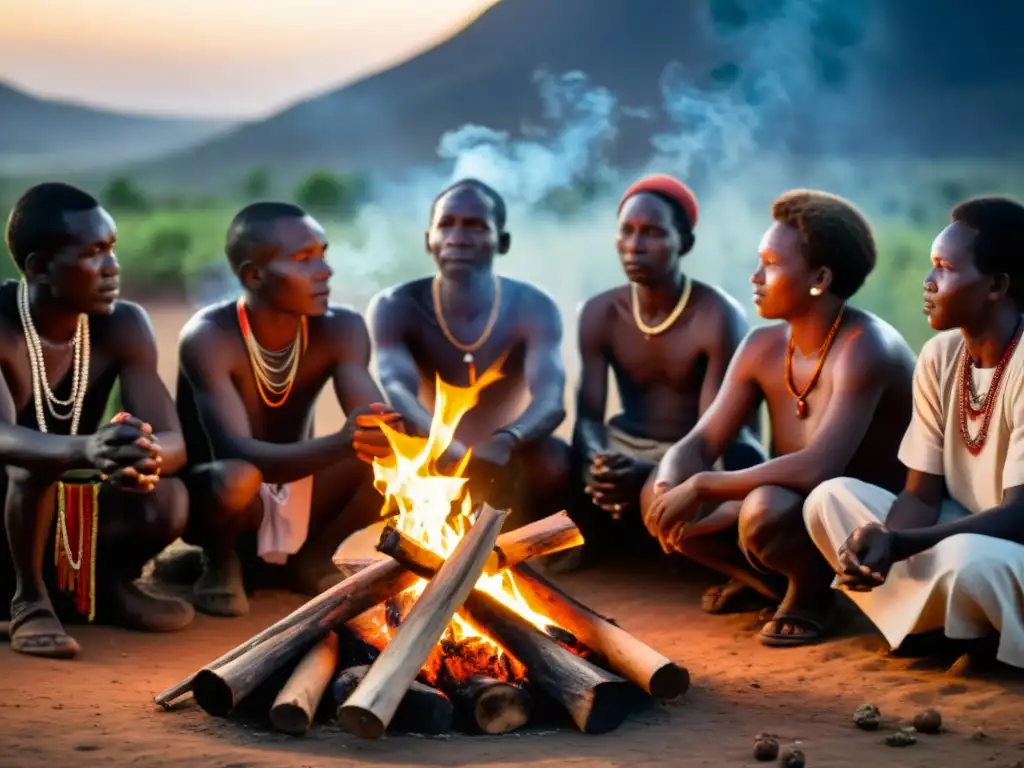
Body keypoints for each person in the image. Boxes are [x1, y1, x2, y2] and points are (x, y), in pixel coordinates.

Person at [643, 188, 916, 646]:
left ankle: (811, 595)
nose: (755, 276)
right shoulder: (762, 347)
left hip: (869, 523)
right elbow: (700, 442)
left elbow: (819, 469)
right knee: (661, 493)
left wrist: (703, 485)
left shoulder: (866, 347)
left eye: (770, 263)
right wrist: (672, 485)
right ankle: (771, 586)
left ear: (820, 278)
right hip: (788, 505)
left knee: (762, 508)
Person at [804, 196, 1024, 667]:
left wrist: (901, 546)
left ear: (996, 286)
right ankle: (936, 628)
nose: (928, 283)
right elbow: (920, 496)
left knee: (971, 562)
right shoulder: (941, 355)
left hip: (1007, 549)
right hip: (954, 529)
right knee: (830, 499)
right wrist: (880, 542)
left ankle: (958, 631)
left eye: (943, 268)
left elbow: (1018, 515)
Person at [169, 201, 401, 618]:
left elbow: (370, 417)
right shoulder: (209, 337)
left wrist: (386, 432)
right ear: (253, 276)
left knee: (386, 456)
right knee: (237, 479)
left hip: (297, 486)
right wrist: (342, 441)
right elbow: (236, 451)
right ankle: (221, 563)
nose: (325, 270)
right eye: (303, 259)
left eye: (323, 254)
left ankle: (314, 559)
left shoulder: (341, 328)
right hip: (225, 501)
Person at [0, 182, 194, 659]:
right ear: (40, 267)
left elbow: (174, 441)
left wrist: (140, 450)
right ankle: (27, 600)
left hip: (71, 518)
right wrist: (87, 449)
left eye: (113, 249)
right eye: (95, 253)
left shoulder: (123, 324)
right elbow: (3, 437)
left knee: (166, 491)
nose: (113, 267)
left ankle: (104, 587)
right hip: (6, 516)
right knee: (31, 462)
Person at [570, 174, 764, 571]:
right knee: (556, 464)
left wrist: (650, 472)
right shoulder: (600, 312)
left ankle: (736, 566)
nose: (635, 245)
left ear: (684, 243)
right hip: (627, 444)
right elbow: (588, 416)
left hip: (703, 453)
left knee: (712, 472)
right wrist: (597, 463)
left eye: (653, 232)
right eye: (626, 231)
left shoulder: (716, 316)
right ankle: (605, 543)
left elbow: (713, 435)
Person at [368, 178, 570, 530]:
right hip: (429, 451)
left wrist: (508, 439)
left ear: (502, 241)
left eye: (475, 225)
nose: (458, 236)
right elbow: (396, 387)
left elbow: (551, 399)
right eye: (446, 224)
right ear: (428, 239)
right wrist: (440, 441)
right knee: (372, 445)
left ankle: (537, 542)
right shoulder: (395, 305)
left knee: (554, 461)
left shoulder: (534, 306)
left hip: (509, 456)